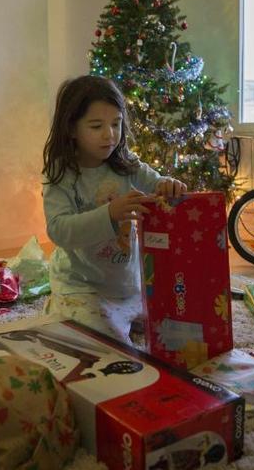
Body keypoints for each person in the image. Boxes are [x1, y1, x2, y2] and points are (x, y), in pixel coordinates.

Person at [41, 75, 186, 344]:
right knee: (106, 345)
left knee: (176, 321)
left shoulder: (125, 163)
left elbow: (156, 184)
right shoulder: (61, 174)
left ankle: (115, 316)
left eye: (116, 124)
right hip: (82, 286)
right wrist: (109, 214)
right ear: (72, 129)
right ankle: (60, 307)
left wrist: (169, 184)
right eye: (96, 126)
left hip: (127, 284)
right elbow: (59, 230)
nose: (110, 134)